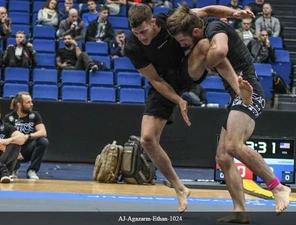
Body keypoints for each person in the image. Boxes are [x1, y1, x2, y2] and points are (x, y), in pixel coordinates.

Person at [124, 3, 254, 213]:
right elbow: (155, 80)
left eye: (144, 31)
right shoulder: (132, 46)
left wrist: (235, 14)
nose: (141, 37)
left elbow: (209, 11)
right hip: (165, 83)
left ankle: (238, 89)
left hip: (187, 69)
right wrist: (179, 100)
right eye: (136, 33)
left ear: (154, 22)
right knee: (147, 139)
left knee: (204, 45)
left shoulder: (169, 20)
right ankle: (180, 188)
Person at [166, 4, 291, 221]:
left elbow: (221, 50)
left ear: (194, 32)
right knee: (223, 157)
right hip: (236, 96)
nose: (182, 45)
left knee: (233, 146)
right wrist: (234, 13)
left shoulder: (214, 29)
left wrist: (206, 64)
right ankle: (240, 212)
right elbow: (209, 8)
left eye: (182, 40)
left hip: (250, 92)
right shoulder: (191, 20)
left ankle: (277, 187)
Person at [3, 92, 49, 180]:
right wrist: (15, 151)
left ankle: (32, 170)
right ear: (19, 105)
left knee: (43, 141)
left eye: (31, 101)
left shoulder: (34, 115)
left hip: (28, 149)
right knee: (8, 142)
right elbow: (5, 138)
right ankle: (13, 170)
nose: (32, 104)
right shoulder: (9, 118)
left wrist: (27, 136)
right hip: (13, 149)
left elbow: (43, 132)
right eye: (28, 102)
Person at [0, 102, 27, 183]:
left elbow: (22, 138)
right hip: (4, 170)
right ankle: (3, 172)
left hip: (4, 159)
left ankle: (2, 173)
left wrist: (6, 141)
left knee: (16, 143)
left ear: (0, 114)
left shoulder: (6, 127)